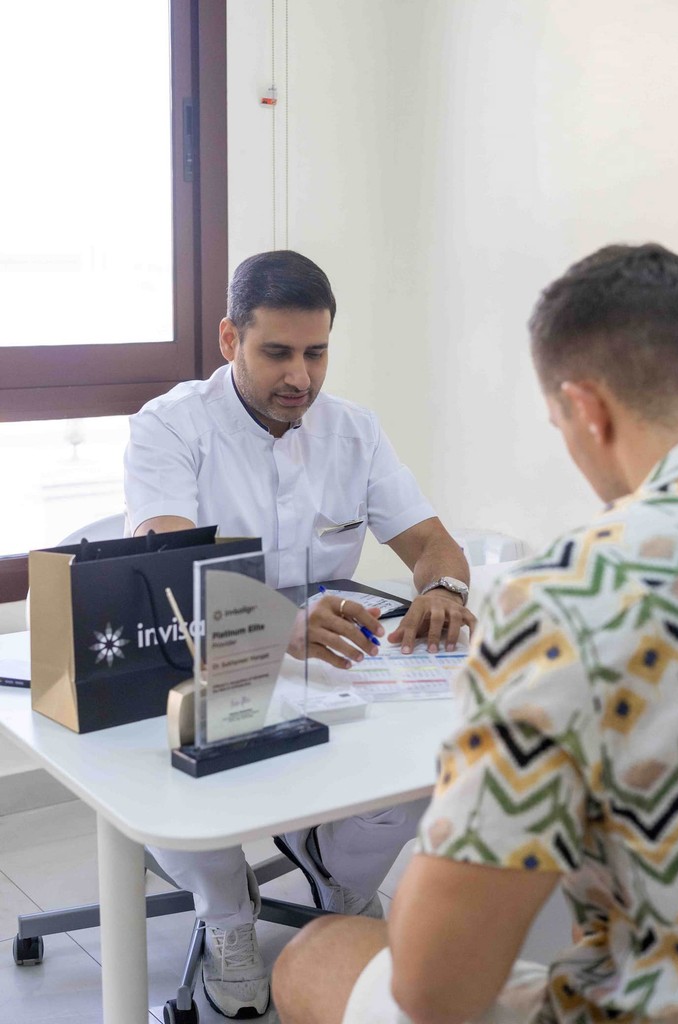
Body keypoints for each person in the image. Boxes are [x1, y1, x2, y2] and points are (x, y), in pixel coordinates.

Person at [272, 241, 678, 1024]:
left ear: (585, 411)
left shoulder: (571, 596)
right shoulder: (172, 426)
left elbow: (433, 988)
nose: (300, 374)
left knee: (321, 953)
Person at [124, 249, 472, 1018]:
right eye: (276, 352)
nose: (301, 377)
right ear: (228, 340)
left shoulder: (352, 430)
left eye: (315, 353)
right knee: (164, 763)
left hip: (326, 662)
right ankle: (228, 918)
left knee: (435, 748)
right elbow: (174, 568)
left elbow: (433, 545)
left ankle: (337, 876)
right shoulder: (169, 427)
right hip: (200, 656)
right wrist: (278, 622)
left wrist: (443, 589)